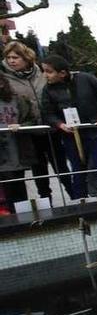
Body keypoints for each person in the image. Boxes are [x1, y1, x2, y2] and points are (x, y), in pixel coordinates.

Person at [1, 40, 71, 200]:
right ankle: (46, 201)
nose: (11, 61)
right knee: (39, 170)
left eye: (15, 57)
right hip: (28, 130)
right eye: (8, 57)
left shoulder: (41, 73)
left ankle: (75, 196)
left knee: (61, 166)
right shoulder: (6, 78)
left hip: (50, 127)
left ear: (25, 58)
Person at [40, 55, 97, 200]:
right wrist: (59, 124)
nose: (45, 75)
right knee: (78, 171)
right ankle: (81, 206)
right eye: (44, 71)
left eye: (49, 72)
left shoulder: (86, 79)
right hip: (71, 135)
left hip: (96, 131)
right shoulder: (48, 90)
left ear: (62, 73)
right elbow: (47, 113)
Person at [0, 73, 36, 213]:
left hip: (17, 147)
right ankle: (12, 215)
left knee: (19, 181)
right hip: (3, 152)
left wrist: (20, 125)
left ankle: (23, 214)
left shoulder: (18, 100)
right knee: (8, 183)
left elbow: (31, 119)